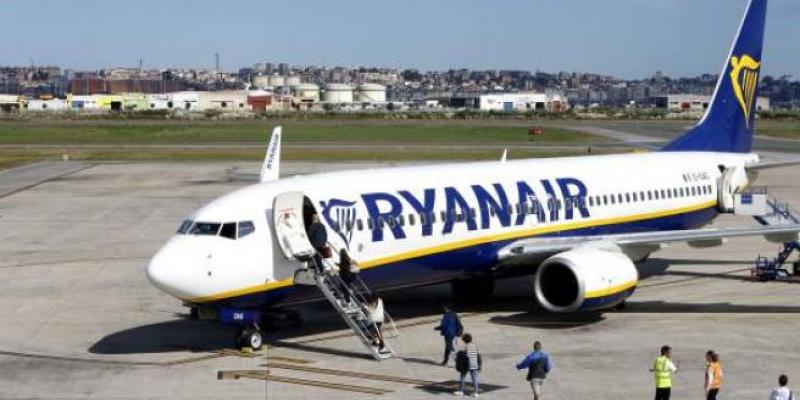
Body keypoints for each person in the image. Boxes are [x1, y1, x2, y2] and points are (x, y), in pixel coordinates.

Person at [454, 333, 480, 397]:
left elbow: (467, 356)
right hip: (474, 364)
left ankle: (461, 391)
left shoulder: (466, 347)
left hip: (467, 365)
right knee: (474, 378)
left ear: (464, 340)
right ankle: (476, 393)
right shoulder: (474, 345)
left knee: (462, 377)